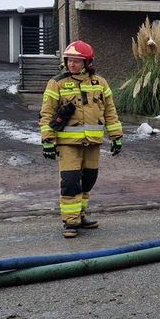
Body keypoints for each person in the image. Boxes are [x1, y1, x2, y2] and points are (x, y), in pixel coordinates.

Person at [39, 40, 123, 238]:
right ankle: (70, 222)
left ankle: (80, 215)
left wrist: (116, 136)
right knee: (70, 182)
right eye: (69, 60)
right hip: (68, 144)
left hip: (92, 142)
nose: (71, 64)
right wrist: (47, 140)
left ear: (87, 62)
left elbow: (110, 111)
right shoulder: (57, 83)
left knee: (88, 180)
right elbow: (47, 113)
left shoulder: (100, 83)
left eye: (76, 61)